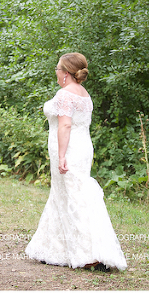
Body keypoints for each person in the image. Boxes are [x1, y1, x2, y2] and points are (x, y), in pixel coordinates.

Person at [25, 52, 127, 272]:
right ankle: (54, 249)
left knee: (74, 197)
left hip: (69, 148)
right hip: (83, 147)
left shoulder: (65, 94)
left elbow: (65, 125)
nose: (55, 72)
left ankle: (92, 253)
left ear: (65, 73)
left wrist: (62, 156)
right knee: (64, 195)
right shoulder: (84, 94)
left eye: (57, 68)